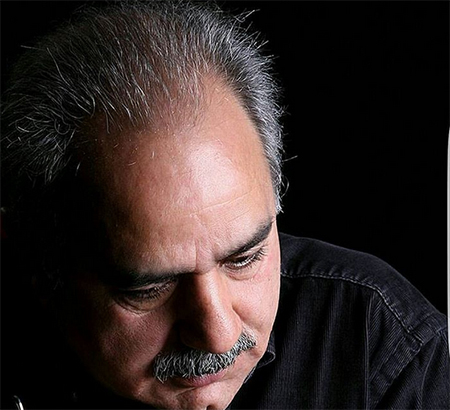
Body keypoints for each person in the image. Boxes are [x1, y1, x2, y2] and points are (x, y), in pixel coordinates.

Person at [1, 1, 448, 409]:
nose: (218, 335)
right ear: (35, 263)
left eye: (245, 258)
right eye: (148, 289)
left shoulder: (383, 348)